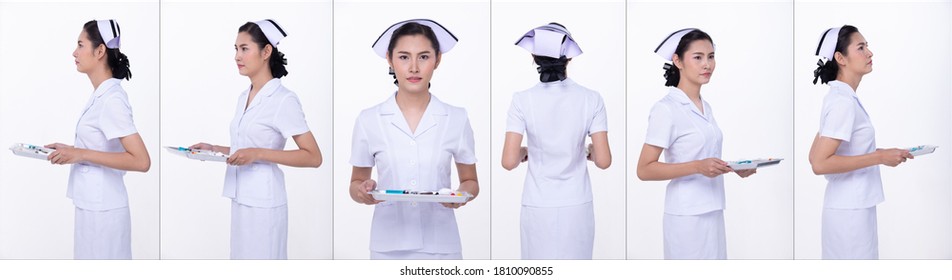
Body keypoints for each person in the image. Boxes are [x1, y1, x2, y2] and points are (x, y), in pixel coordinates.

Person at [190, 19, 322, 259]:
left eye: (244, 49)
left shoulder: (283, 99)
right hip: (241, 198)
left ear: (266, 52)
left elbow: (313, 156)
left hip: (265, 204)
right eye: (235, 49)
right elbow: (245, 148)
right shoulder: (244, 96)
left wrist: (258, 154)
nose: (237, 56)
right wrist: (213, 148)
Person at [349, 19, 479, 260]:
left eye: (424, 57)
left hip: (441, 246)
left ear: (437, 59)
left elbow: (471, 181)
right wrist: (363, 191)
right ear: (389, 59)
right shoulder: (369, 119)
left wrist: (459, 196)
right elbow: (356, 182)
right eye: (404, 57)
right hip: (387, 246)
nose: (414, 68)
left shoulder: (456, 118)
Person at [635, 28, 756, 259]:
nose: (707, 64)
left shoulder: (704, 106)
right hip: (686, 218)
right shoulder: (666, 109)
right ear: (678, 61)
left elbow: (706, 158)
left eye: (711, 56)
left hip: (714, 211)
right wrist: (697, 167)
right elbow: (644, 169)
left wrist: (733, 168)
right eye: (698, 57)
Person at [501, 22, 611, 259]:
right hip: (577, 205)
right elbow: (603, 161)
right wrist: (589, 149)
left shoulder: (522, 100)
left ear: (534, 56)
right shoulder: (591, 99)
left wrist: (525, 151)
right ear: (568, 58)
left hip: (537, 205)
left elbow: (509, 162)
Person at [46, 19, 151, 259]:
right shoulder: (101, 95)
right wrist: (72, 150)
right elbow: (102, 146)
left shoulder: (112, 99)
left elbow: (141, 161)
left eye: (81, 45)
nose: (74, 52)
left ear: (100, 51)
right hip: (91, 206)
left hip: (104, 212)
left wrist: (80, 154)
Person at [808, 25, 912, 259]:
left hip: (851, 208)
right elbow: (819, 164)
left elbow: (815, 156)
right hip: (849, 215)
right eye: (861, 47)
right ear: (840, 58)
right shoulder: (842, 102)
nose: (869, 53)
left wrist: (881, 152)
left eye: (867, 47)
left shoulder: (840, 97)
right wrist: (879, 157)